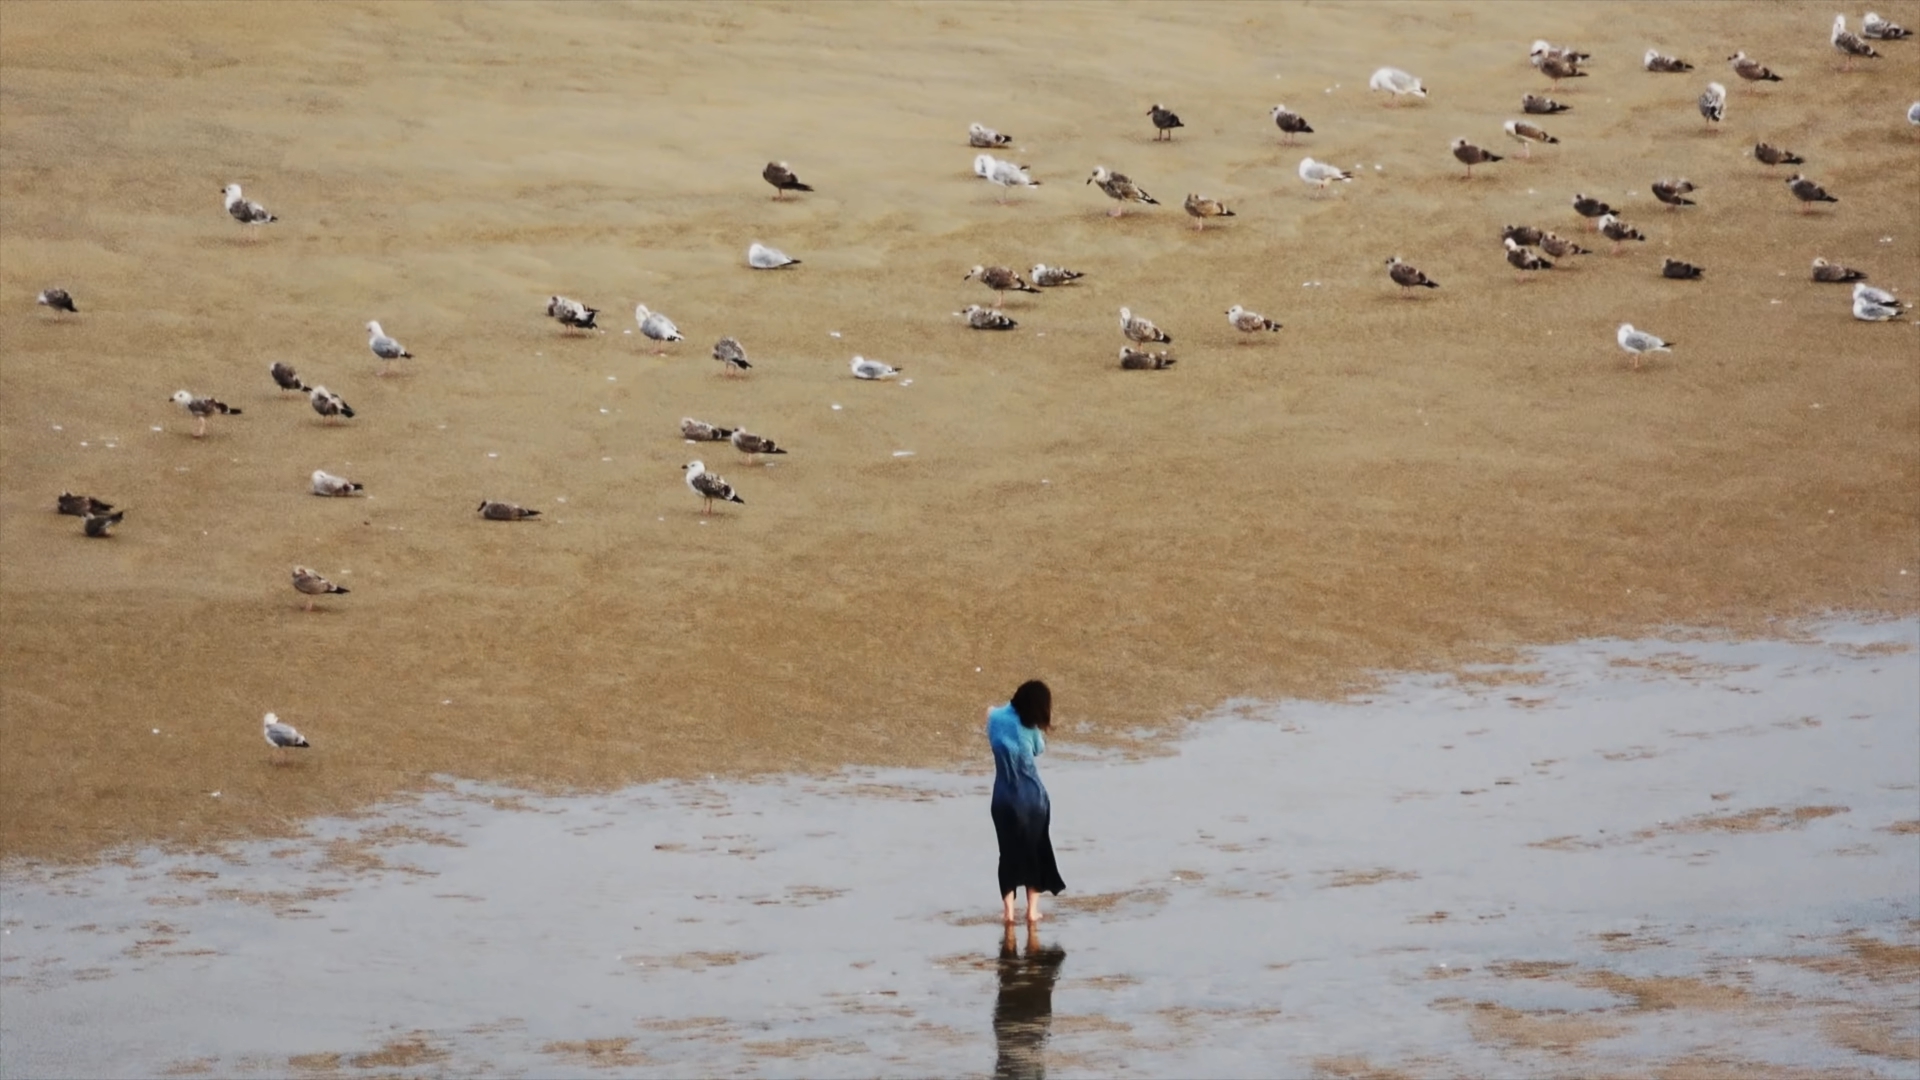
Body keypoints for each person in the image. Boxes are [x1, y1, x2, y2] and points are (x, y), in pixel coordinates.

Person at [987, 679, 1066, 926]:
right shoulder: (1030, 729)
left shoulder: (994, 717)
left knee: (1007, 854)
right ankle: (1032, 912)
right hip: (1032, 799)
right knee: (1035, 852)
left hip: (1002, 799)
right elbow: (1038, 750)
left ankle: (1008, 913)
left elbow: (989, 713)